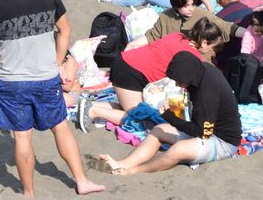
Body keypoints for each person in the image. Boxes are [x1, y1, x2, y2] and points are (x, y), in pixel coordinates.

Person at [0, 0, 104, 197]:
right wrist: (56, 61)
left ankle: (29, 193)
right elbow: (65, 29)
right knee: (60, 126)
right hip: (45, 78)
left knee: (22, 137)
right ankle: (81, 181)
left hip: (12, 81)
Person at [96, 51, 242, 175]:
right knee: (159, 130)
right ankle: (123, 164)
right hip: (205, 127)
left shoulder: (207, 93)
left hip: (223, 142)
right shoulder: (201, 70)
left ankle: (135, 171)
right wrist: (174, 106)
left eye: (179, 81)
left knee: (178, 150)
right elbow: (190, 97)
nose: (177, 84)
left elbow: (202, 132)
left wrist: (170, 117)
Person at [78, 17, 223, 130]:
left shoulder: (177, 36)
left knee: (129, 107)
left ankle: (89, 105)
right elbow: (180, 89)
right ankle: (94, 111)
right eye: (213, 48)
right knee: (138, 117)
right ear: (204, 43)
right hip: (130, 72)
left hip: (125, 62)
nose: (213, 53)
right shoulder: (194, 57)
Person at [127, 0, 241, 51]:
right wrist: (132, 45)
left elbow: (227, 27)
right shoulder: (165, 17)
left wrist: (249, 33)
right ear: (176, 6)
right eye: (186, 6)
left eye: (193, 4)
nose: (191, 9)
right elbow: (152, 36)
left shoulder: (202, 15)